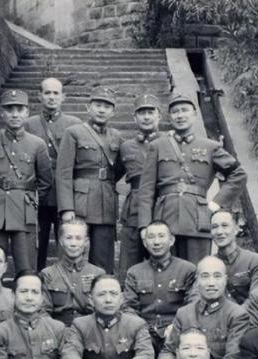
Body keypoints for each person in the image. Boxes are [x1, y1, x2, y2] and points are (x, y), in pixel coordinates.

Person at [138, 93, 247, 264]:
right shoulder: (157, 146)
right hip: (164, 219)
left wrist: (217, 203)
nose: (180, 115)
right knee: (167, 271)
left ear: (195, 115)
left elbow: (238, 174)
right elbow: (146, 190)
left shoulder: (210, 147)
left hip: (198, 220)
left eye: (184, 110)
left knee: (197, 269)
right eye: (175, 112)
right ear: (169, 117)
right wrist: (145, 225)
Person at [0, 89, 53, 272]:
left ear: (27, 112)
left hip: (24, 215)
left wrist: (30, 202)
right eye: (9, 109)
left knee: (26, 268)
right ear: (2, 113)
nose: (15, 114)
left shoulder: (37, 144)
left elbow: (46, 182)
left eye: (19, 109)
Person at [55, 86, 123, 273]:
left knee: (103, 259)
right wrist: (66, 208)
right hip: (79, 204)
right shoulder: (74, 132)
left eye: (107, 107)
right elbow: (63, 172)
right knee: (72, 253)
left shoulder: (117, 137)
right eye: (98, 105)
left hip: (106, 204)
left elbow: (120, 168)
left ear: (113, 112)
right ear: (88, 107)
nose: (102, 110)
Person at [155, 256, 249, 359]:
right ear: (197, 280)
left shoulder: (237, 314)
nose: (211, 283)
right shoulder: (184, 313)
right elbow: (169, 349)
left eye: (217, 276)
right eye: (205, 276)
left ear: (225, 280)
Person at [25, 78, 83, 270]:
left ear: (63, 97)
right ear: (39, 96)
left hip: (63, 197)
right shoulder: (29, 124)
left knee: (66, 246)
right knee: (36, 246)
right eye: (47, 93)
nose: (51, 97)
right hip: (38, 195)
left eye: (56, 93)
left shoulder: (74, 124)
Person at [123, 220, 196, 356]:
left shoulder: (187, 269)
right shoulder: (134, 272)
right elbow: (128, 308)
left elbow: (192, 305)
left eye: (161, 236)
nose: (156, 242)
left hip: (177, 332)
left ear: (171, 240)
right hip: (144, 333)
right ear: (145, 243)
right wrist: (141, 329)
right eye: (151, 237)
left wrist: (177, 326)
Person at [118, 93, 162, 275]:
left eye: (150, 112)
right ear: (134, 117)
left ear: (159, 116)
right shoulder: (125, 147)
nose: (146, 117)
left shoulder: (169, 143)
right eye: (142, 113)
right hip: (134, 209)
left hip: (161, 205)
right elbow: (114, 174)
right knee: (129, 261)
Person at [40, 219, 105, 325]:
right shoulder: (48, 274)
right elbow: (43, 313)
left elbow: (104, 311)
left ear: (86, 242)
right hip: (59, 329)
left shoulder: (98, 274)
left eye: (78, 238)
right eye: (69, 238)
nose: (73, 243)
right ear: (61, 241)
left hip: (89, 329)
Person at [210, 210, 258, 304]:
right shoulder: (207, 265)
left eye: (225, 225)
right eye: (214, 227)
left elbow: (256, 301)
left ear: (236, 229)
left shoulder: (255, 261)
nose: (219, 232)